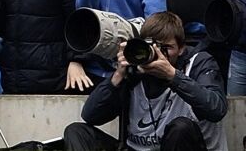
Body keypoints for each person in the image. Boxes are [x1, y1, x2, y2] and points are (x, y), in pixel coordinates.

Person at [63, 12, 228, 151]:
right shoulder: (135, 67)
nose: (160, 54)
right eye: (153, 47)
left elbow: (216, 109)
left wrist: (172, 76)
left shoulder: (198, 62)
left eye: (166, 48)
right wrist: (118, 75)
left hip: (187, 145)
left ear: (181, 48)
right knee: (77, 132)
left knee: (181, 128)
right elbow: (90, 116)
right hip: (136, 148)